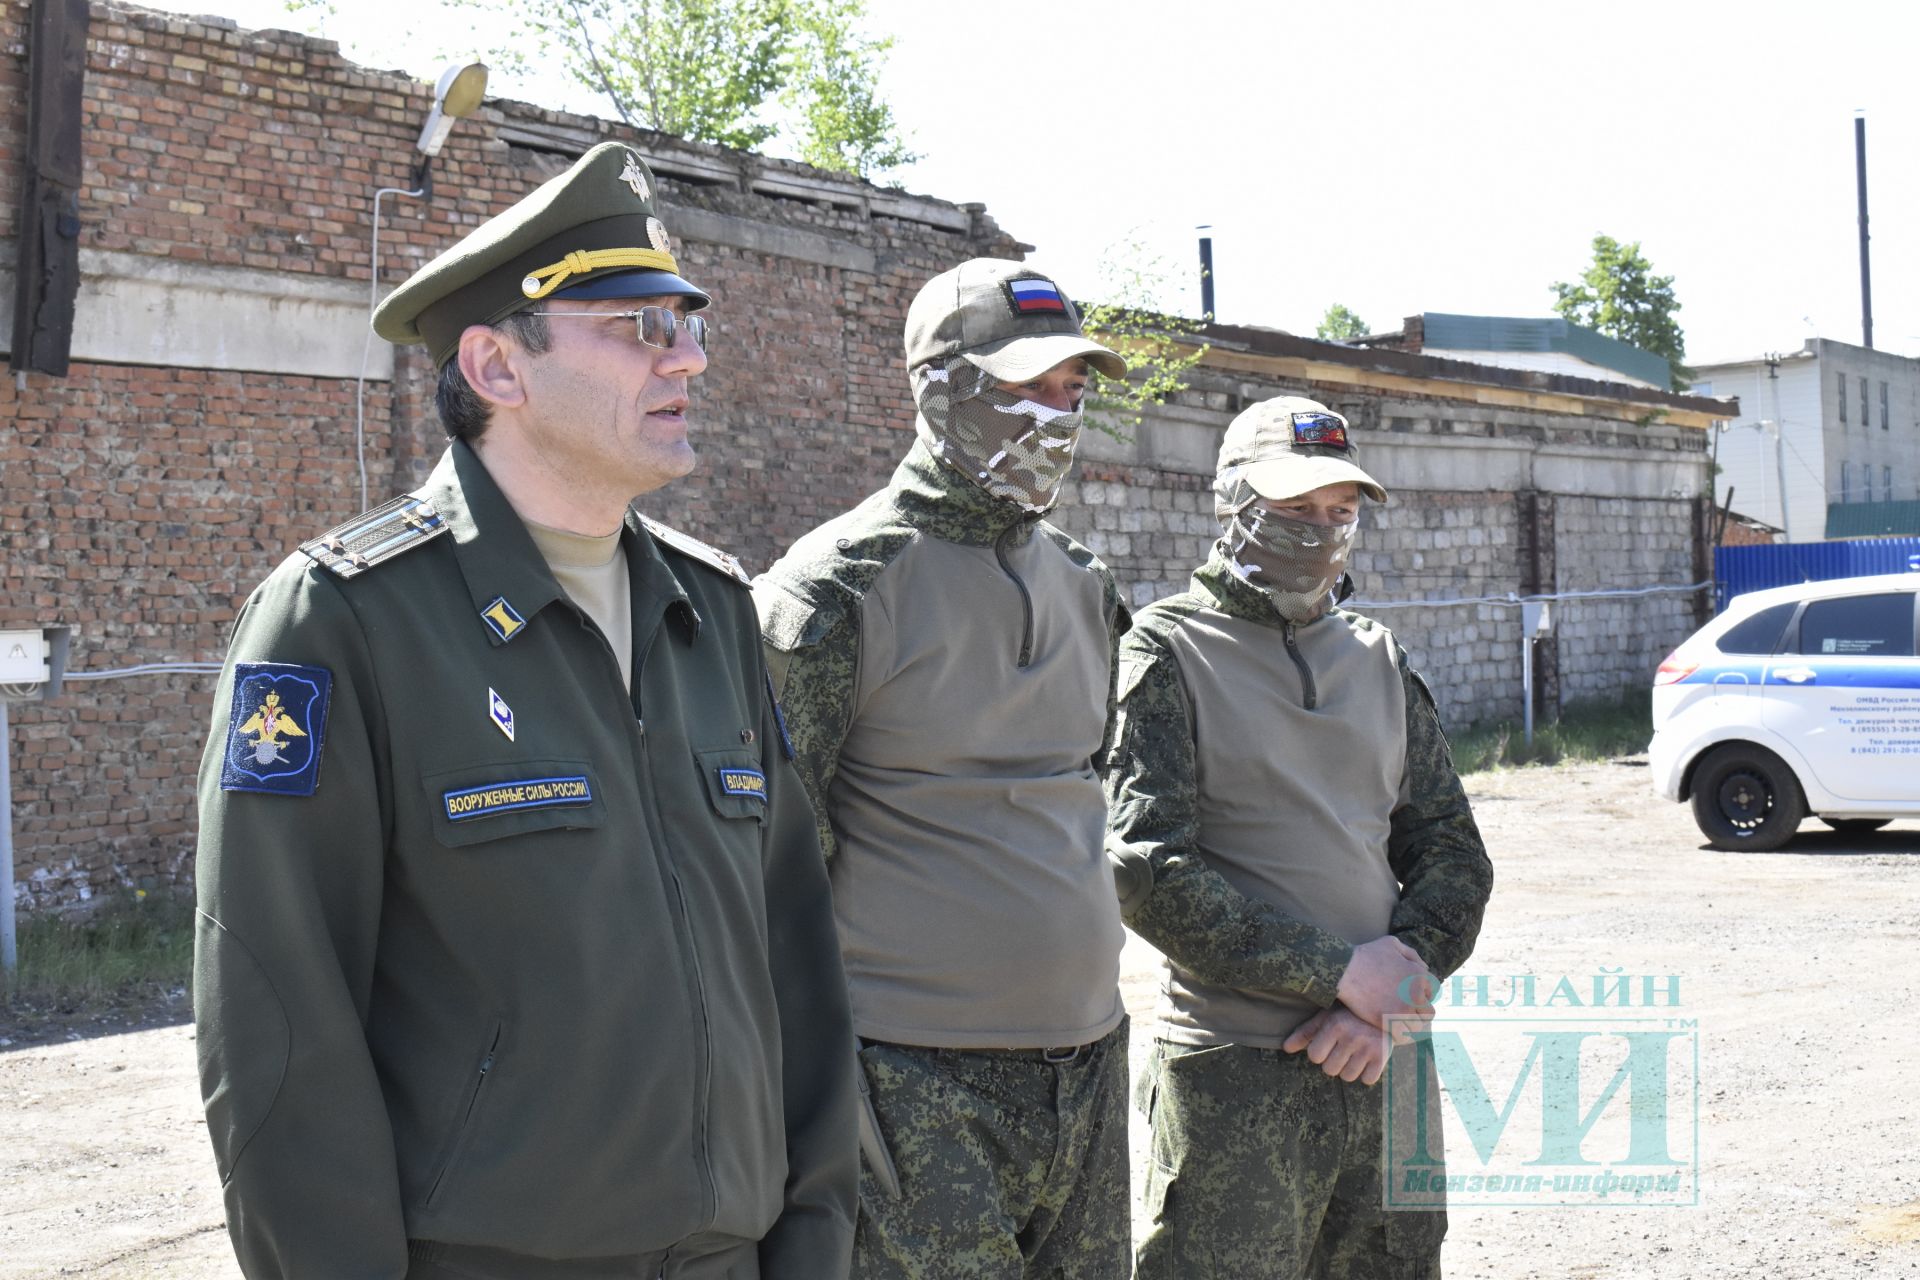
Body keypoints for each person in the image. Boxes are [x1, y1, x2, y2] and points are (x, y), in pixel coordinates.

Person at [192, 141, 857, 1280]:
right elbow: (277, 1024)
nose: (688, 358)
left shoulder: (712, 612)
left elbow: (793, 959)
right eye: (641, 328)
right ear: (498, 367)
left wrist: (812, 1241)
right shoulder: (343, 619)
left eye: (691, 326)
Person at [752, 258, 1133, 1279]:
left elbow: (1091, 799)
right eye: (1027, 387)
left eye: (1071, 388)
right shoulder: (837, 590)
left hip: (1090, 1065)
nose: (1058, 413)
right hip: (909, 1083)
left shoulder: (1087, 586)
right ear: (939, 387)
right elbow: (772, 862)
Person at [1104, 395, 1495, 1279]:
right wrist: (1338, 975)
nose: (1321, 533)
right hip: (1236, 1074)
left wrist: (1394, 987)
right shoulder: (1166, 652)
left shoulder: (1377, 656)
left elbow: (1451, 851)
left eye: (1340, 513)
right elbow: (1150, 870)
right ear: (1232, 504)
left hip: (1385, 1064)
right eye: (1292, 511)